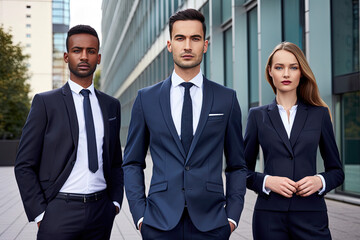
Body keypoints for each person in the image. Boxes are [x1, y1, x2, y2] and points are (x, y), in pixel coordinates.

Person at [122, 8, 247, 240]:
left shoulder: (226, 98)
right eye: (180, 38)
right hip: (159, 223)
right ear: (169, 45)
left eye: (195, 38)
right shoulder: (146, 99)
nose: (187, 46)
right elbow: (131, 162)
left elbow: (237, 165)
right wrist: (140, 216)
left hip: (212, 225)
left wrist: (232, 217)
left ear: (205, 45)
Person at [14, 25, 123, 240]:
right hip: (58, 213)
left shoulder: (111, 105)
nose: (84, 56)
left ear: (98, 57)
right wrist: (41, 214)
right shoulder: (45, 103)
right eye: (77, 50)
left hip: (101, 211)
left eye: (91, 51)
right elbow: (24, 164)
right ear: (66, 56)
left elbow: (115, 162)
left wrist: (115, 204)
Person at [244, 41, 344, 240]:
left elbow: (337, 172)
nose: (286, 74)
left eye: (293, 67)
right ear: (270, 72)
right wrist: (267, 181)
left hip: (311, 216)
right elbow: (241, 170)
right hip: (269, 217)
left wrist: (320, 180)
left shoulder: (320, 115)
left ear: (301, 72)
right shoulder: (257, 116)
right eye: (279, 67)